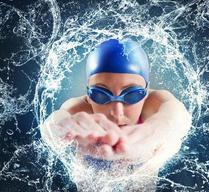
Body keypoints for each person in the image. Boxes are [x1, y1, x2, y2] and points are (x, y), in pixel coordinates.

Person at [41, 38, 192, 171]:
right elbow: (54, 123)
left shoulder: (155, 101)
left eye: (132, 94)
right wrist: (63, 129)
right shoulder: (80, 109)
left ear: (145, 91)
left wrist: (150, 131)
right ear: (88, 93)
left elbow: (176, 116)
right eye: (100, 94)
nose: (116, 112)